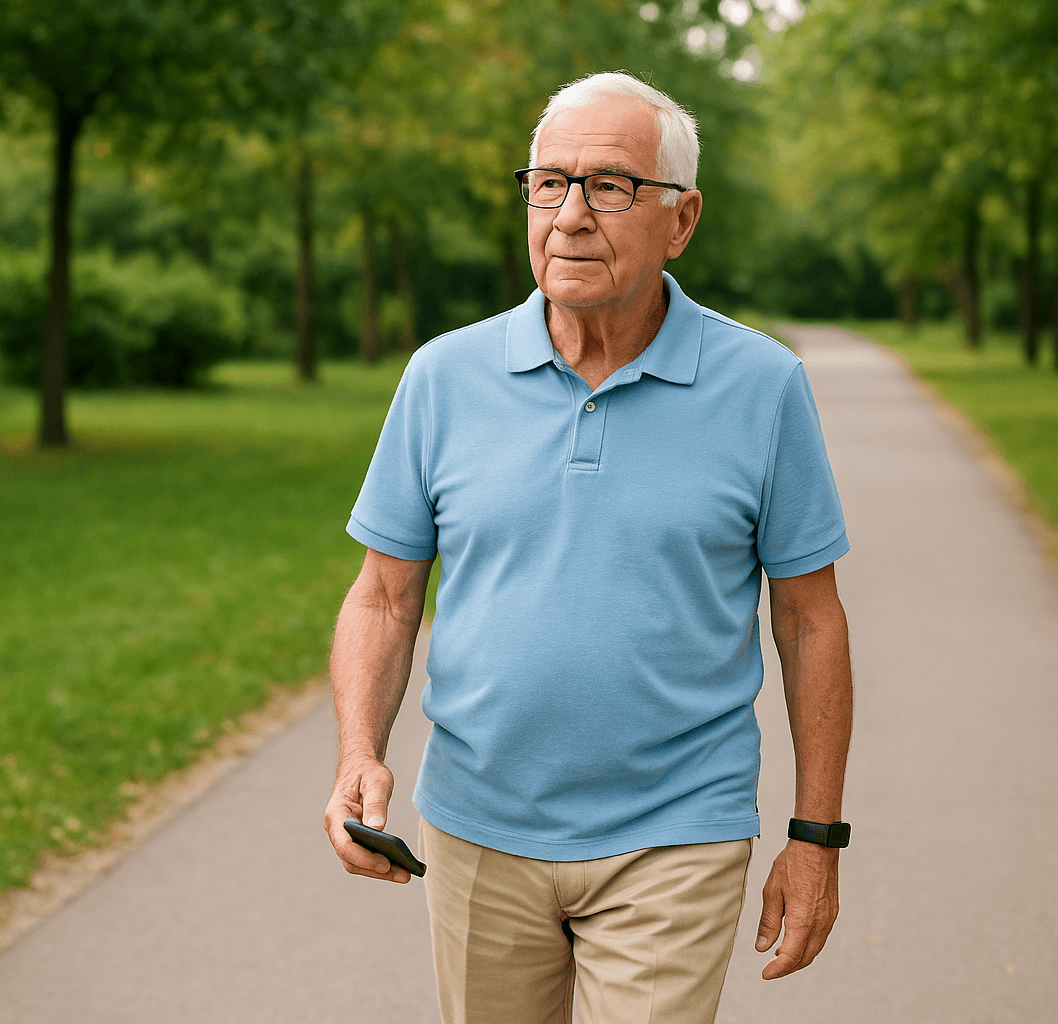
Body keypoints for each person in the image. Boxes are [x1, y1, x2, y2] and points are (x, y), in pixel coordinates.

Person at [322, 70, 853, 1024]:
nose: (569, 216)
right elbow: (384, 596)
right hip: (478, 826)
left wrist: (817, 835)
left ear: (681, 220)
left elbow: (811, 621)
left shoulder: (763, 387)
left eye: (610, 186)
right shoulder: (443, 377)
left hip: (677, 833)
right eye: (548, 184)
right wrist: (359, 752)